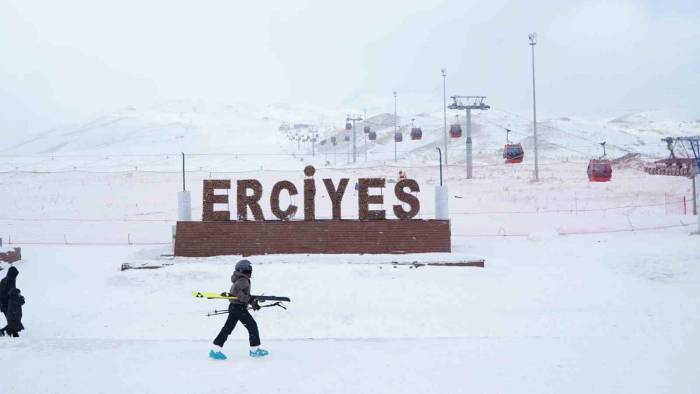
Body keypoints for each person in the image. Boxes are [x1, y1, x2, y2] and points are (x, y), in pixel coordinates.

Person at [210, 260, 269, 360]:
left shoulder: (241, 279)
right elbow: (235, 291)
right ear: (245, 269)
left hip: (235, 307)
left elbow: (243, 295)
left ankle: (215, 350)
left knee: (227, 329)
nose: (251, 271)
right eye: (249, 269)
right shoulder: (243, 280)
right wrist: (249, 299)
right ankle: (254, 350)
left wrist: (253, 303)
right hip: (238, 308)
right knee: (252, 326)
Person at [0, 266, 19, 336]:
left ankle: (8, 332)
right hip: (4, 305)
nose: (15, 277)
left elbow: (13, 292)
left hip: (11, 304)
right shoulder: (4, 281)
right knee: (12, 320)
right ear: (11, 274)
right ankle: (14, 334)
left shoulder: (12, 281)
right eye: (15, 275)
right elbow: (1, 294)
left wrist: (17, 294)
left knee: (13, 320)